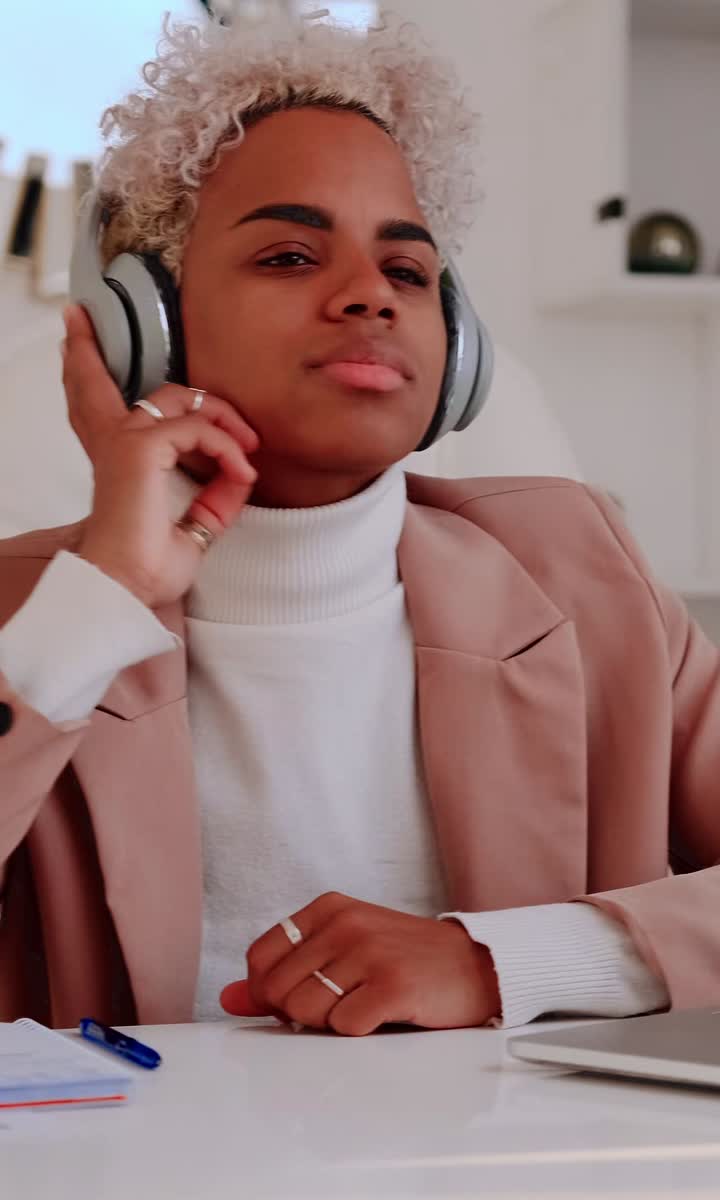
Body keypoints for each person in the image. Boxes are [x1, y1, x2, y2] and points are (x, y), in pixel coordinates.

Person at [0, 10, 718, 1036]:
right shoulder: (32, 624)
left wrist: (504, 961)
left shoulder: (581, 573)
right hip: (130, 1195)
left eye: (409, 270)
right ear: (143, 329)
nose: (368, 297)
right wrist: (102, 598)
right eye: (291, 256)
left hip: (525, 1194)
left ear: (457, 343)